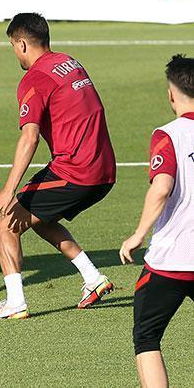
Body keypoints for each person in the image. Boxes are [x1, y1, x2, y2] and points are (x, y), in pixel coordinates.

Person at [0, 13, 116, 319]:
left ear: (21, 43)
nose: (14, 53)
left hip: (77, 171)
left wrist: (8, 190)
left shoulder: (34, 78)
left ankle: (15, 302)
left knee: (7, 221)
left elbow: (29, 138)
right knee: (38, 217)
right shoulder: (70, 62)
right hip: (104, 168)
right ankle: (93, 278)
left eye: (13, 47)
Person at [120, 54, 194, 388]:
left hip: (173, 260)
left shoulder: (168, 134)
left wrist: (138, 234)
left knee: (147, 336)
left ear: (171, 94)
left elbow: (161, 188)